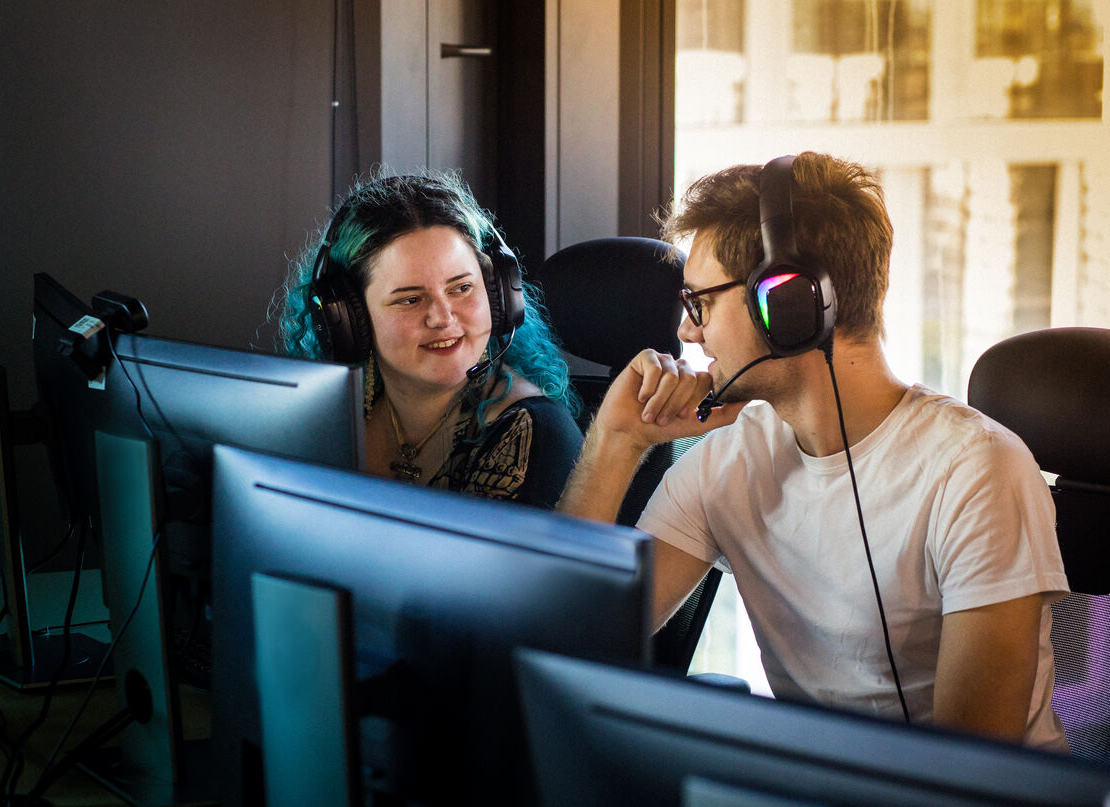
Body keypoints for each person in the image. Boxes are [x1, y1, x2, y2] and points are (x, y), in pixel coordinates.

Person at [557, 152, 1070, 751]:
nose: (686, 332)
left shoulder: (977, 470)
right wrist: (616, 442)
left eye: (701, 303)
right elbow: (574, 639)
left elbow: (970, 769)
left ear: (790, 305)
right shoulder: (728, 458)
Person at [276, 171, 583, 509]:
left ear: (498, 295)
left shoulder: (535, 434)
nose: (443, 318)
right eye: (410, 299)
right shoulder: (320, 421)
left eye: (462, 288)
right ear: (347, 318)